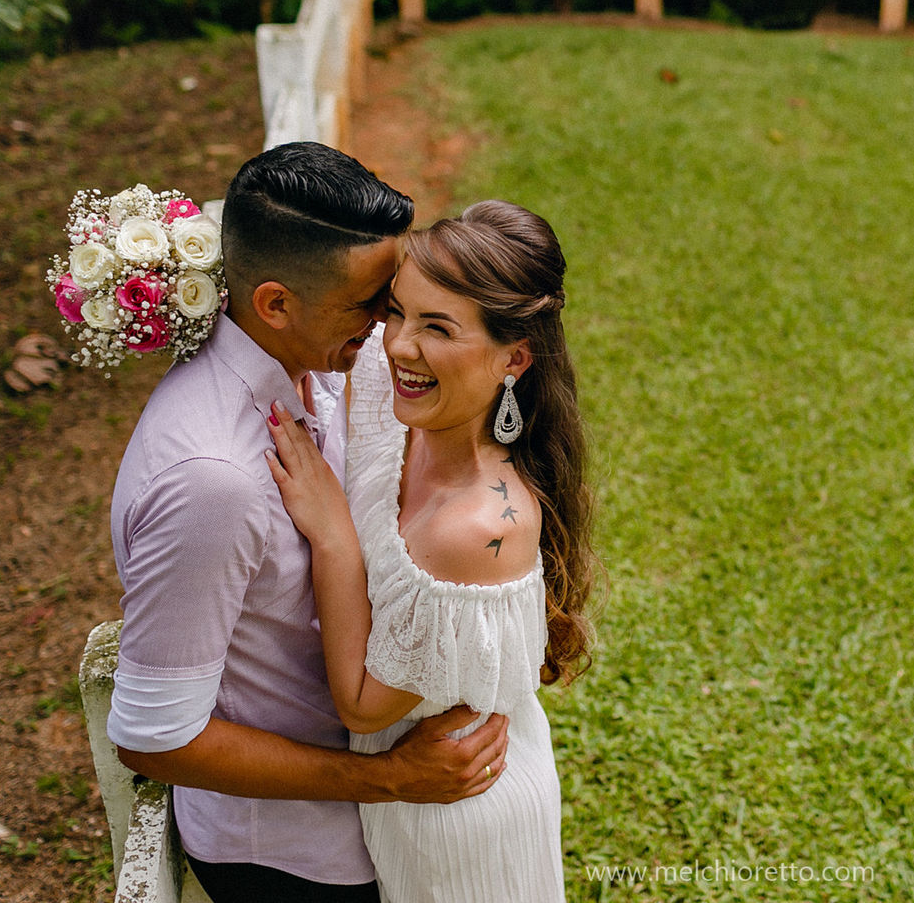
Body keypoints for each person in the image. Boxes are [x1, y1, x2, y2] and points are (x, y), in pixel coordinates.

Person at [107, 143, 509, 903]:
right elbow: (154, 736)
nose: (390, 332)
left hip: (374, 816)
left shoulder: (312, 361)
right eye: (370, 306)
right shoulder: (214, 483)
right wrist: (387, 779)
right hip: (294, 858)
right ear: (274, 304)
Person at [265, 200, 598, 903]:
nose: (399, 347)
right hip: (402, 803)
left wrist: (332, 534)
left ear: (514, 357)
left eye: (438, 328)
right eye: (398, 313)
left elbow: (362, 705)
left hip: (457, 822)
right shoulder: (404, 396)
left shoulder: (478, 526)